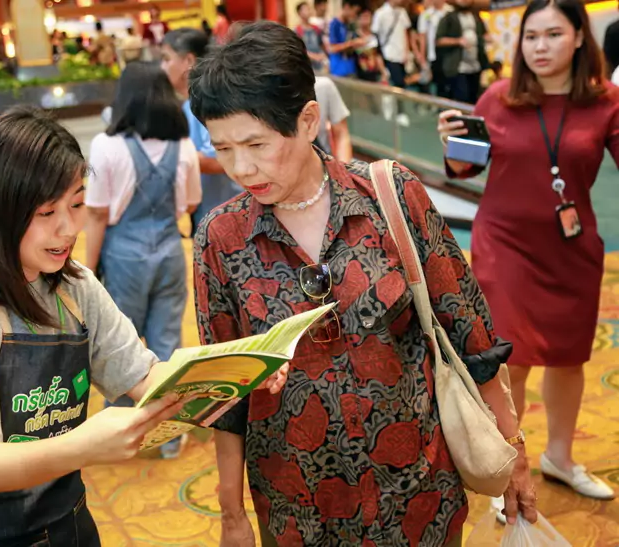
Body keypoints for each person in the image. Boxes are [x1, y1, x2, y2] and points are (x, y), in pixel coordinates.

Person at [189, 21, 535, 546]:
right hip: (296, 505)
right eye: (224, 148)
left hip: (416, 494)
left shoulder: (390, 196)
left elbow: (472, 337)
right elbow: (226, 397)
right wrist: (231, 512)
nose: (241, 167)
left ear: (308, 120)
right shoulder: (221, 239)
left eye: (256, 144)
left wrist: (514, 450)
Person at [0, 106, 184, 545]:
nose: (69, 228)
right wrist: (82, 446)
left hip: (63, 520)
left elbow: (142, 375)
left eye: (77, 204)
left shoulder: (75, 287)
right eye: (47, 212)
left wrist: (231, 373)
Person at [437, 0, 617, 519]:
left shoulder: (606, 102)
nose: (540, 47)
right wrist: (453, 143)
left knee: (568, 356)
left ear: (580, 38)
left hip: (572, 248)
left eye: (553, 34)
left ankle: (560, 457)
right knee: (509, 356)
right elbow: (465, 169)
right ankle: (505, 471)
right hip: (505, 245)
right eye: (531, 36)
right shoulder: (498, 97)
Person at [85, 63, 200, 458]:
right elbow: (191, 203)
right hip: (169, 252)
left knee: (119, 347)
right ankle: (169, 438)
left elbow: (96, 213)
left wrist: (89, 268)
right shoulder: (183, 146)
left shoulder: (106, 145)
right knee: (167, 342)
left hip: (123, 257)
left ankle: (120, 437)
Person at [161, 28, 243, 234]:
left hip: (228, 214)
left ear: (188, 60)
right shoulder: (189, 105)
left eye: (167, 59)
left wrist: (165, 154)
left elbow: (219, 159)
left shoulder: (208, 103)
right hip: (211, 212)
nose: (162, 67)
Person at [435, 0, 490, 103]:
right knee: (461, 97)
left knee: (474, 97)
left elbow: (484, 34)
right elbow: (439, 40)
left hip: (475, 64)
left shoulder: (476, 16)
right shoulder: (449, 17)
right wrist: (458, 41)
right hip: (458, 66)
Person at [418, 0, 453, 97]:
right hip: (433, 56)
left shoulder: (451, 12)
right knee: (438, 87)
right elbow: (422, 37)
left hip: (451, 56)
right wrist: (422, 58)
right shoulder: (426, 15)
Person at [328, 0, 364, 78]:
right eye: (354, 11)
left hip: (351, 69)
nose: (355, 15)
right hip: (338, 70)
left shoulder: (351, 25)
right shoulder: (335, 24)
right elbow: (332, 48)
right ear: (347, 7)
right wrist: (352, 43)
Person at [296, 2, 328, 74]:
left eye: (309, 9)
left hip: (319, 66)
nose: (308, 11)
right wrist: (314, 56)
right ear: (299, 13)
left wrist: (325, 57)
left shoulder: (316, 28)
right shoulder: (297, 31)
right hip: (307, 67)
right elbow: (299, 50)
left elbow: (321, 45)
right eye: (305, 9)